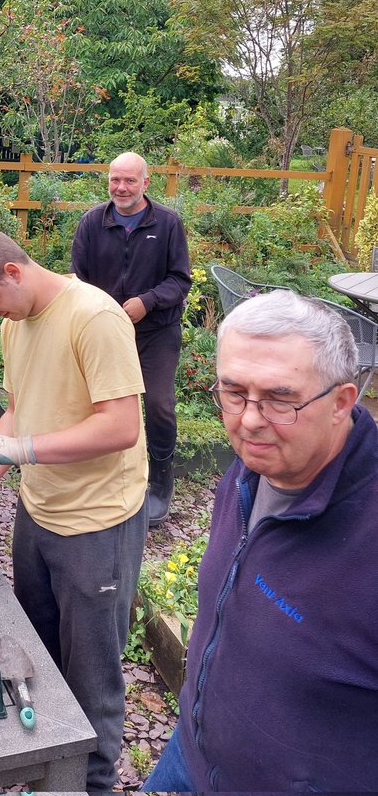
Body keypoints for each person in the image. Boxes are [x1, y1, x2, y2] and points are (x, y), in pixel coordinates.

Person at [144, 289, 378, 793]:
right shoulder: (253, 471)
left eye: (279, 398)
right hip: (189, 756)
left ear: (341, 402)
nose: (249, 419)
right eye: (233, 392)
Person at [0, 229, 147, 795]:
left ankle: (93, 784)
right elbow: (19, 409)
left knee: (92, 677)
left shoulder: (95, 317)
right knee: (38, 650)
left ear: (14, 272)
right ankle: (46, 773)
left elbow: (121, 427)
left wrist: (22, 450)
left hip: (97, 523)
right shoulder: (15, 324)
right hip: (38, 514)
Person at [70, 151, 191, 525]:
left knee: (158, 404)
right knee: (95, 402)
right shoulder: (92, 223)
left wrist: (146, 302)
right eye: (115, 180)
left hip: (156, 331)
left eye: (129, 180)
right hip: (107, 332)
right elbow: (78, 280)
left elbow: (180, 280)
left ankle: (160, 480)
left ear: (145, 183)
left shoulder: (167, 224)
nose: (121, 187)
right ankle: (101, 474)